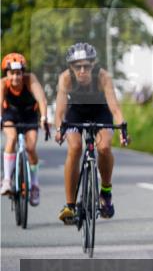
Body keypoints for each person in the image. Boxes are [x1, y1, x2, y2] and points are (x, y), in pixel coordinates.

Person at [53, 43, 128, 223]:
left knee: (104, 147)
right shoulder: (65, 78)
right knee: (75, 148)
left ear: (93, 65)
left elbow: (115, 109)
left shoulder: (103, 77)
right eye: (77, 66)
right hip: (75, 113)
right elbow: (60, 111)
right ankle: (70, 205)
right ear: (71, 67)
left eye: (86, 66)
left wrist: (122, 130)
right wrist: (59, 129)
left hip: (100, 111)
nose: (82, 70)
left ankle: (106, 193)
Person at [0, 53, 49, 204]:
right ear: (6, 74)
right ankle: (7, 180)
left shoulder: (30, 80)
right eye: (11, 74)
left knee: (31, 147)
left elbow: (41, 99)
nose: (15, 77)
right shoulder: (3, 84)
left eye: (18, 73)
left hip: (29, 115)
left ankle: (34, 184)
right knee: (12, 137)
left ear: (23, 72)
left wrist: (44, 118)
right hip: (11, 115)